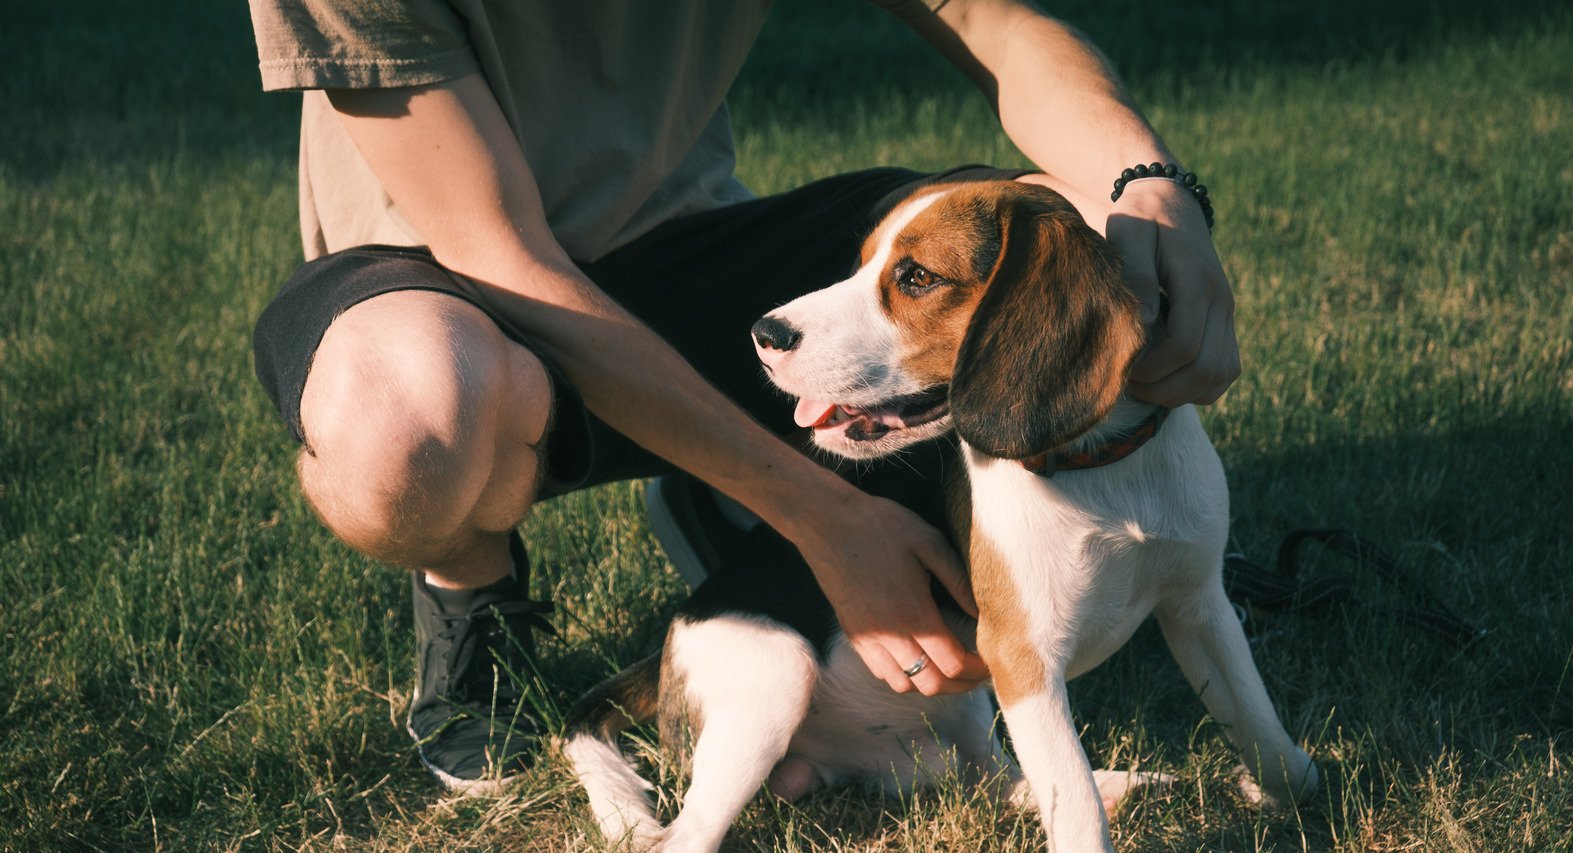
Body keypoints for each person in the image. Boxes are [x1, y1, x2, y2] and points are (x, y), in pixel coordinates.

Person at [245, 0, 1240, 793]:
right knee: (411, 413)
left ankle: (1070, 547)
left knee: (1064, 220)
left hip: (685, 245)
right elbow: (503, 252)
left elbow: (993, 23)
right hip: (443, 283)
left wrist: (1145, 184)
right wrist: (825, 521)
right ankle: (473, 587)